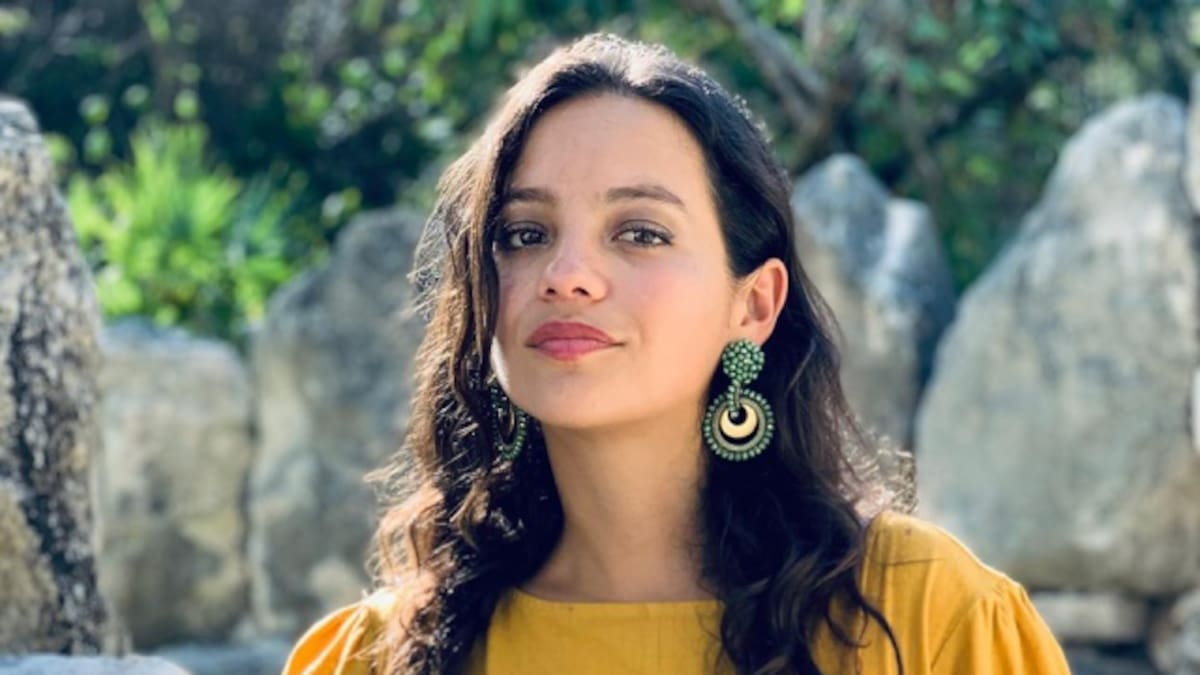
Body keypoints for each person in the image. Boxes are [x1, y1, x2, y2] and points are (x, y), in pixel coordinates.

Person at [283, 32, 1070, 675]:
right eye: (524, 234)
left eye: (640, 232)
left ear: (752, 305)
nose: (566, 274)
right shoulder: (375, 657)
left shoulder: (927, 618)